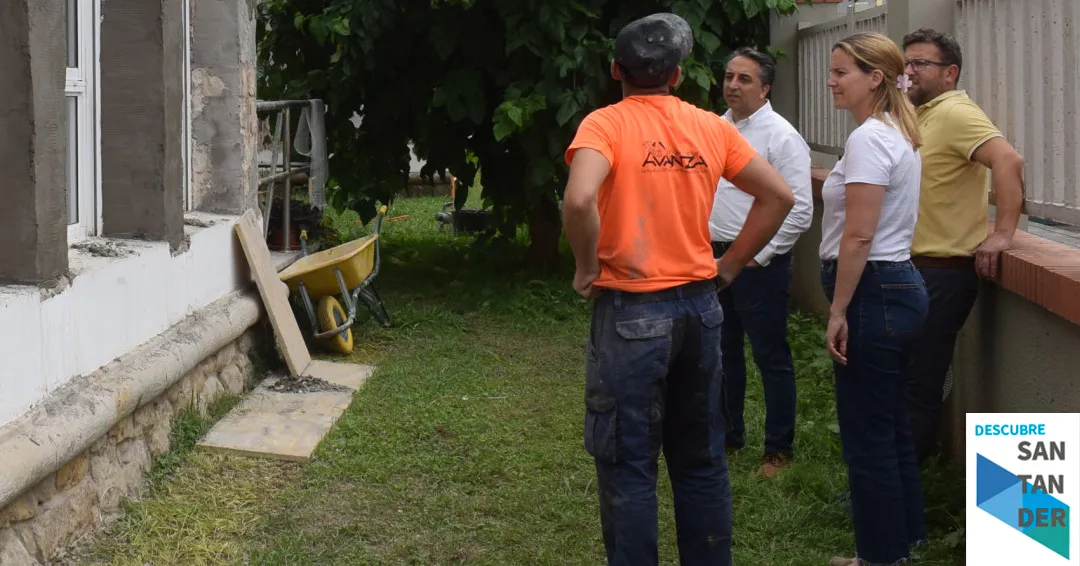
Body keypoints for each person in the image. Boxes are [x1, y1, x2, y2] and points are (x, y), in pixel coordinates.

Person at [561, 13, 796, 566]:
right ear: (677, 74)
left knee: (629, 465)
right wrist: (732, 265)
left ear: (616, 69)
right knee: (701, 461)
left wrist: (584, 267)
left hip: (631, 314)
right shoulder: (710, 127)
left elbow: (577, 201)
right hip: (699, 308)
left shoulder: (604, 124)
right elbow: (780, 197)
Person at [818, 32, 929, 566]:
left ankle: (879, 557)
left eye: (842, 72)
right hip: (898, 286)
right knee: (889, 425)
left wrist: (838, 310)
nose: (832, 81)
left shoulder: (869, 139)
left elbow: (858, 237)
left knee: (868, 438)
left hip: (874, 291)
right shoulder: (894, 132)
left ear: (876, 78)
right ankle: (902, 542)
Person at [901, 28, 1025, 463]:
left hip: (942, 272)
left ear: (950, 73)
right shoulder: (924, 112)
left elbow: (1008, 159)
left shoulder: (955, 112)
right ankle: (901, 477)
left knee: (919, 380)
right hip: (915, 267)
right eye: (906, 63)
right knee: (910, 376)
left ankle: (904, 497)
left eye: (921, 64)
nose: (909, 71)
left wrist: (1004, 233)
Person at [710, 47, 814, 477]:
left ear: (765, 87)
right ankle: (729, 437)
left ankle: (778, 450)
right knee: (721, 352)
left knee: (771, 357)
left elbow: (800, 209)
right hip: (712, 256)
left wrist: (758, 255)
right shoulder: (712, 129)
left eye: (745, 79)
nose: (733, 85)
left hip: (758, 264)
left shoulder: (781, 136)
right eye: (730, 76)